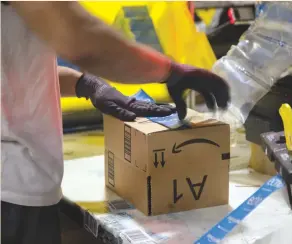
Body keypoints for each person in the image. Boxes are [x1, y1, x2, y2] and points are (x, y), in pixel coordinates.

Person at [1, 1, 230, 244]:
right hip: (11, 194)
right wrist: (169, 71)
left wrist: (85, 84)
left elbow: (15, 68)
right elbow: (80, 38)